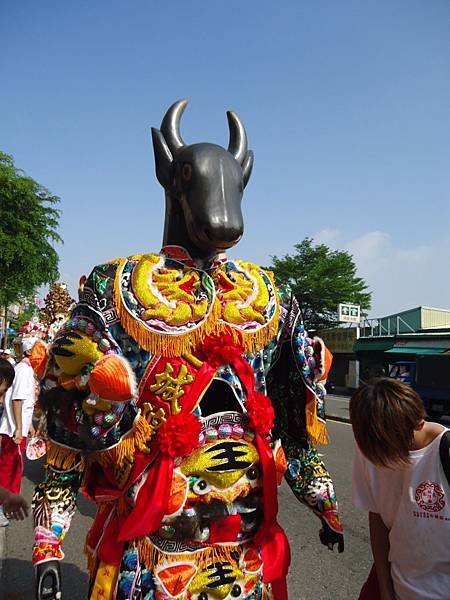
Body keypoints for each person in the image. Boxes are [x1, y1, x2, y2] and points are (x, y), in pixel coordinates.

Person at [33, 101, 343, 600]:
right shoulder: (116, 286)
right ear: (167, 175)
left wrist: (322, 502)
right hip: (155, 540)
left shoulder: (270, 295)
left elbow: (294, 413)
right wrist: (49, 543)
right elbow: (70, 421)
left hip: (245, 537)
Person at [350, 377, 450, 600]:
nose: (387, 462)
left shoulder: (444, 453)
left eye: (395, 449)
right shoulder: (371, 448)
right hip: (398, 587)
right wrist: (385, 590)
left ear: (418, 422)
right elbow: (377, 519)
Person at [0, 337, 38, 526]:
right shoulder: (25, 370)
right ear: (30, 352)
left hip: (16, 428)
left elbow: (24, 403)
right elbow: (17, 400)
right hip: (13, 430)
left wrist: (28, 424)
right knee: (9, 470)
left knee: (15, 469)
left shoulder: (25, 369)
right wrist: (19, 428)